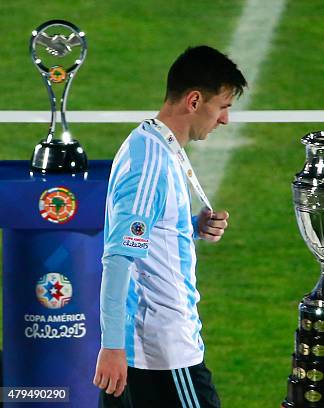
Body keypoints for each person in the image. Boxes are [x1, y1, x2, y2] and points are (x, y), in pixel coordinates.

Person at [93, 45, 247, 408]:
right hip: (162, 352)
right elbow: (118, 259)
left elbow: (143, 229)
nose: (225, 119)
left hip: (144, 350)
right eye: (222, 106)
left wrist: (189, 227)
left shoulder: (149, 145)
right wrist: (113, 346)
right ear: (194, 101)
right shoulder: (152, 163)